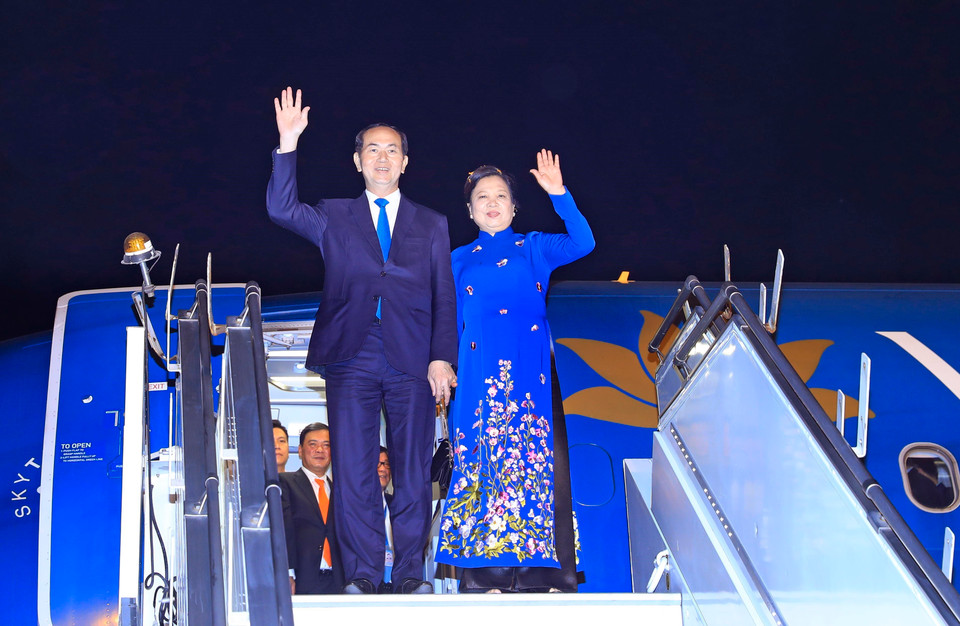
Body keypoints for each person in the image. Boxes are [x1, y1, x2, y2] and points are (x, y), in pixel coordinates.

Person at [267, 87, 458, 595]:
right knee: (352, 468)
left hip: (414, 358)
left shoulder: (432, 223)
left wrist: (442, 357)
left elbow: (445, 296)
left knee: (413, 468)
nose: (382, 157)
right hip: (352, 354)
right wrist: (288, 144)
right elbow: (282, 208)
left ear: (405, 162)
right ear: (357, 161)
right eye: (372, 149)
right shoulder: (334, 215)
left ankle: (410, 574)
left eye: (391, 149)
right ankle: (365, 574)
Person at [436, 150, 594, 592]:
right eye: (482, 197)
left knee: (534, 463)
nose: (491, 202)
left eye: (500, 195)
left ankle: (540, 574)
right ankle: (485, 574)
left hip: (530, 378)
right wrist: (441, 363)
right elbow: (445, 318)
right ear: (469, 211)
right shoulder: (456, 258)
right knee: (482, 465)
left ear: (513, 206)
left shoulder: (535, 247)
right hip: (476, 378)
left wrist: (559, 195)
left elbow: (584, 243)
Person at [279, 423, 343, 594]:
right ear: (300, 450)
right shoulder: (285, 482)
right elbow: (283, 530)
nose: (320, 450)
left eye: (326, 445)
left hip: (339, 580)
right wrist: (288, 573)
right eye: (313, 444)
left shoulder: (342, 490)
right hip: (302, 579)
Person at [378, 446, 394, 593]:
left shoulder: (398, 504)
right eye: (378, 464)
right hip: (370, 584)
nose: (383, 469)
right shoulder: (357, 509)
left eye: (387, 464)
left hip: (395, 585)